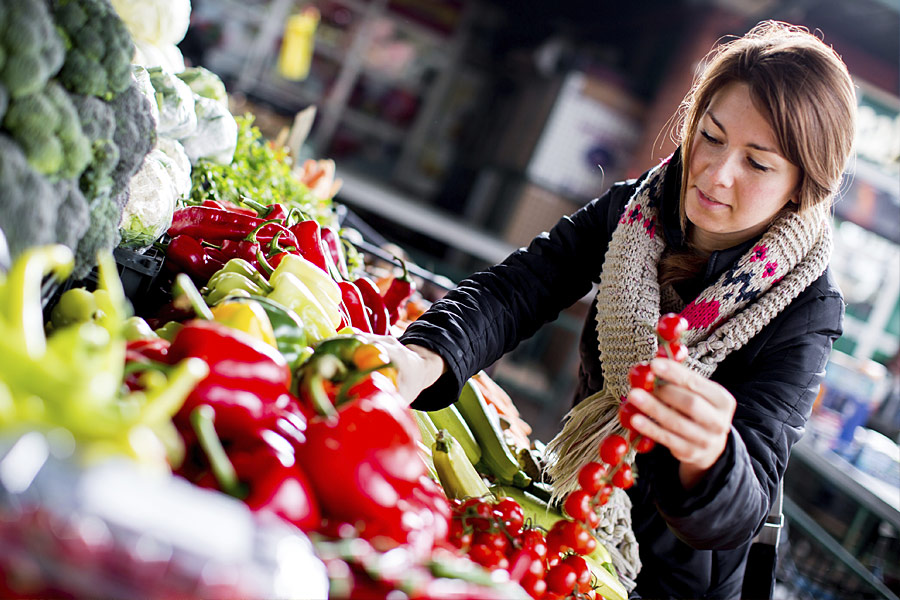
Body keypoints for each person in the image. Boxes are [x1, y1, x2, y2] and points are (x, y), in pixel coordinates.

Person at [370, 21, 857, 599]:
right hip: (572, 522)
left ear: (802, 188)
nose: (715, 172)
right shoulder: (635, 212)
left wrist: (711, 457)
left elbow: (741, 508)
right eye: (711, 135)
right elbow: (519, 288)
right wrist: (423, 358)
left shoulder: (807, 307)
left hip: (679, 583)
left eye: (757, 163)